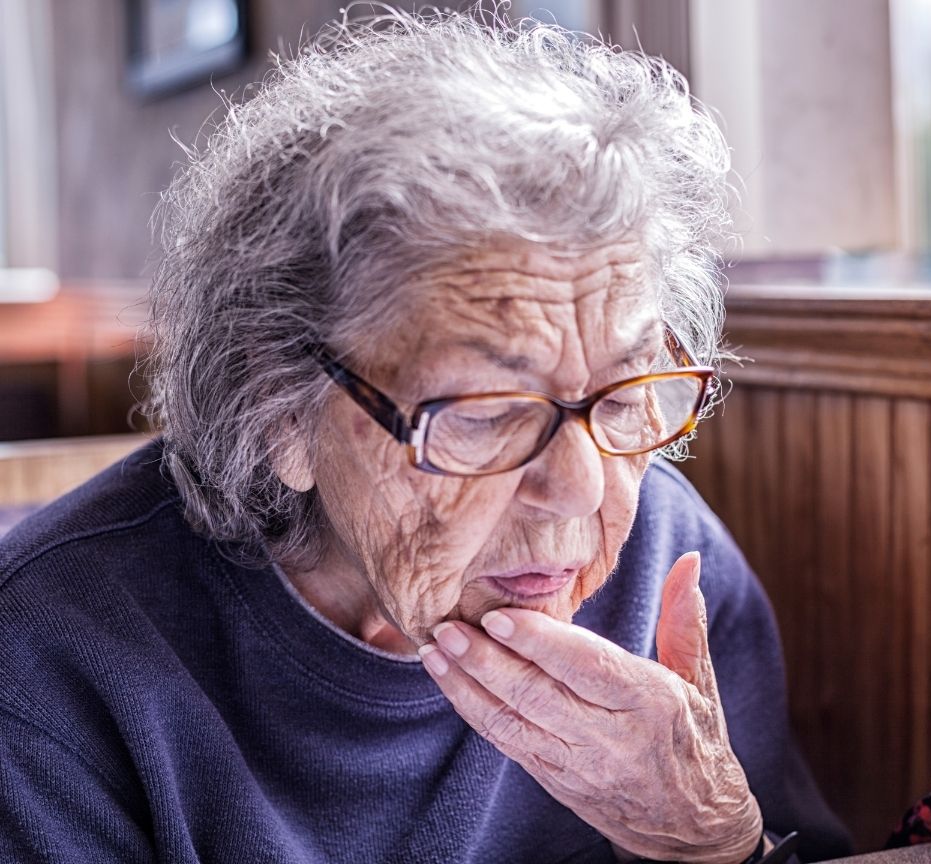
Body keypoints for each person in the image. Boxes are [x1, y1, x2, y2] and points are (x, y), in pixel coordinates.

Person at [0, 8, 852, 863]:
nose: (581, 489)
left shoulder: (666, 568)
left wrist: (716, 842)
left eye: (622, 396)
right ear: (281, 408)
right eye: (485, 414)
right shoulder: (48, 658)